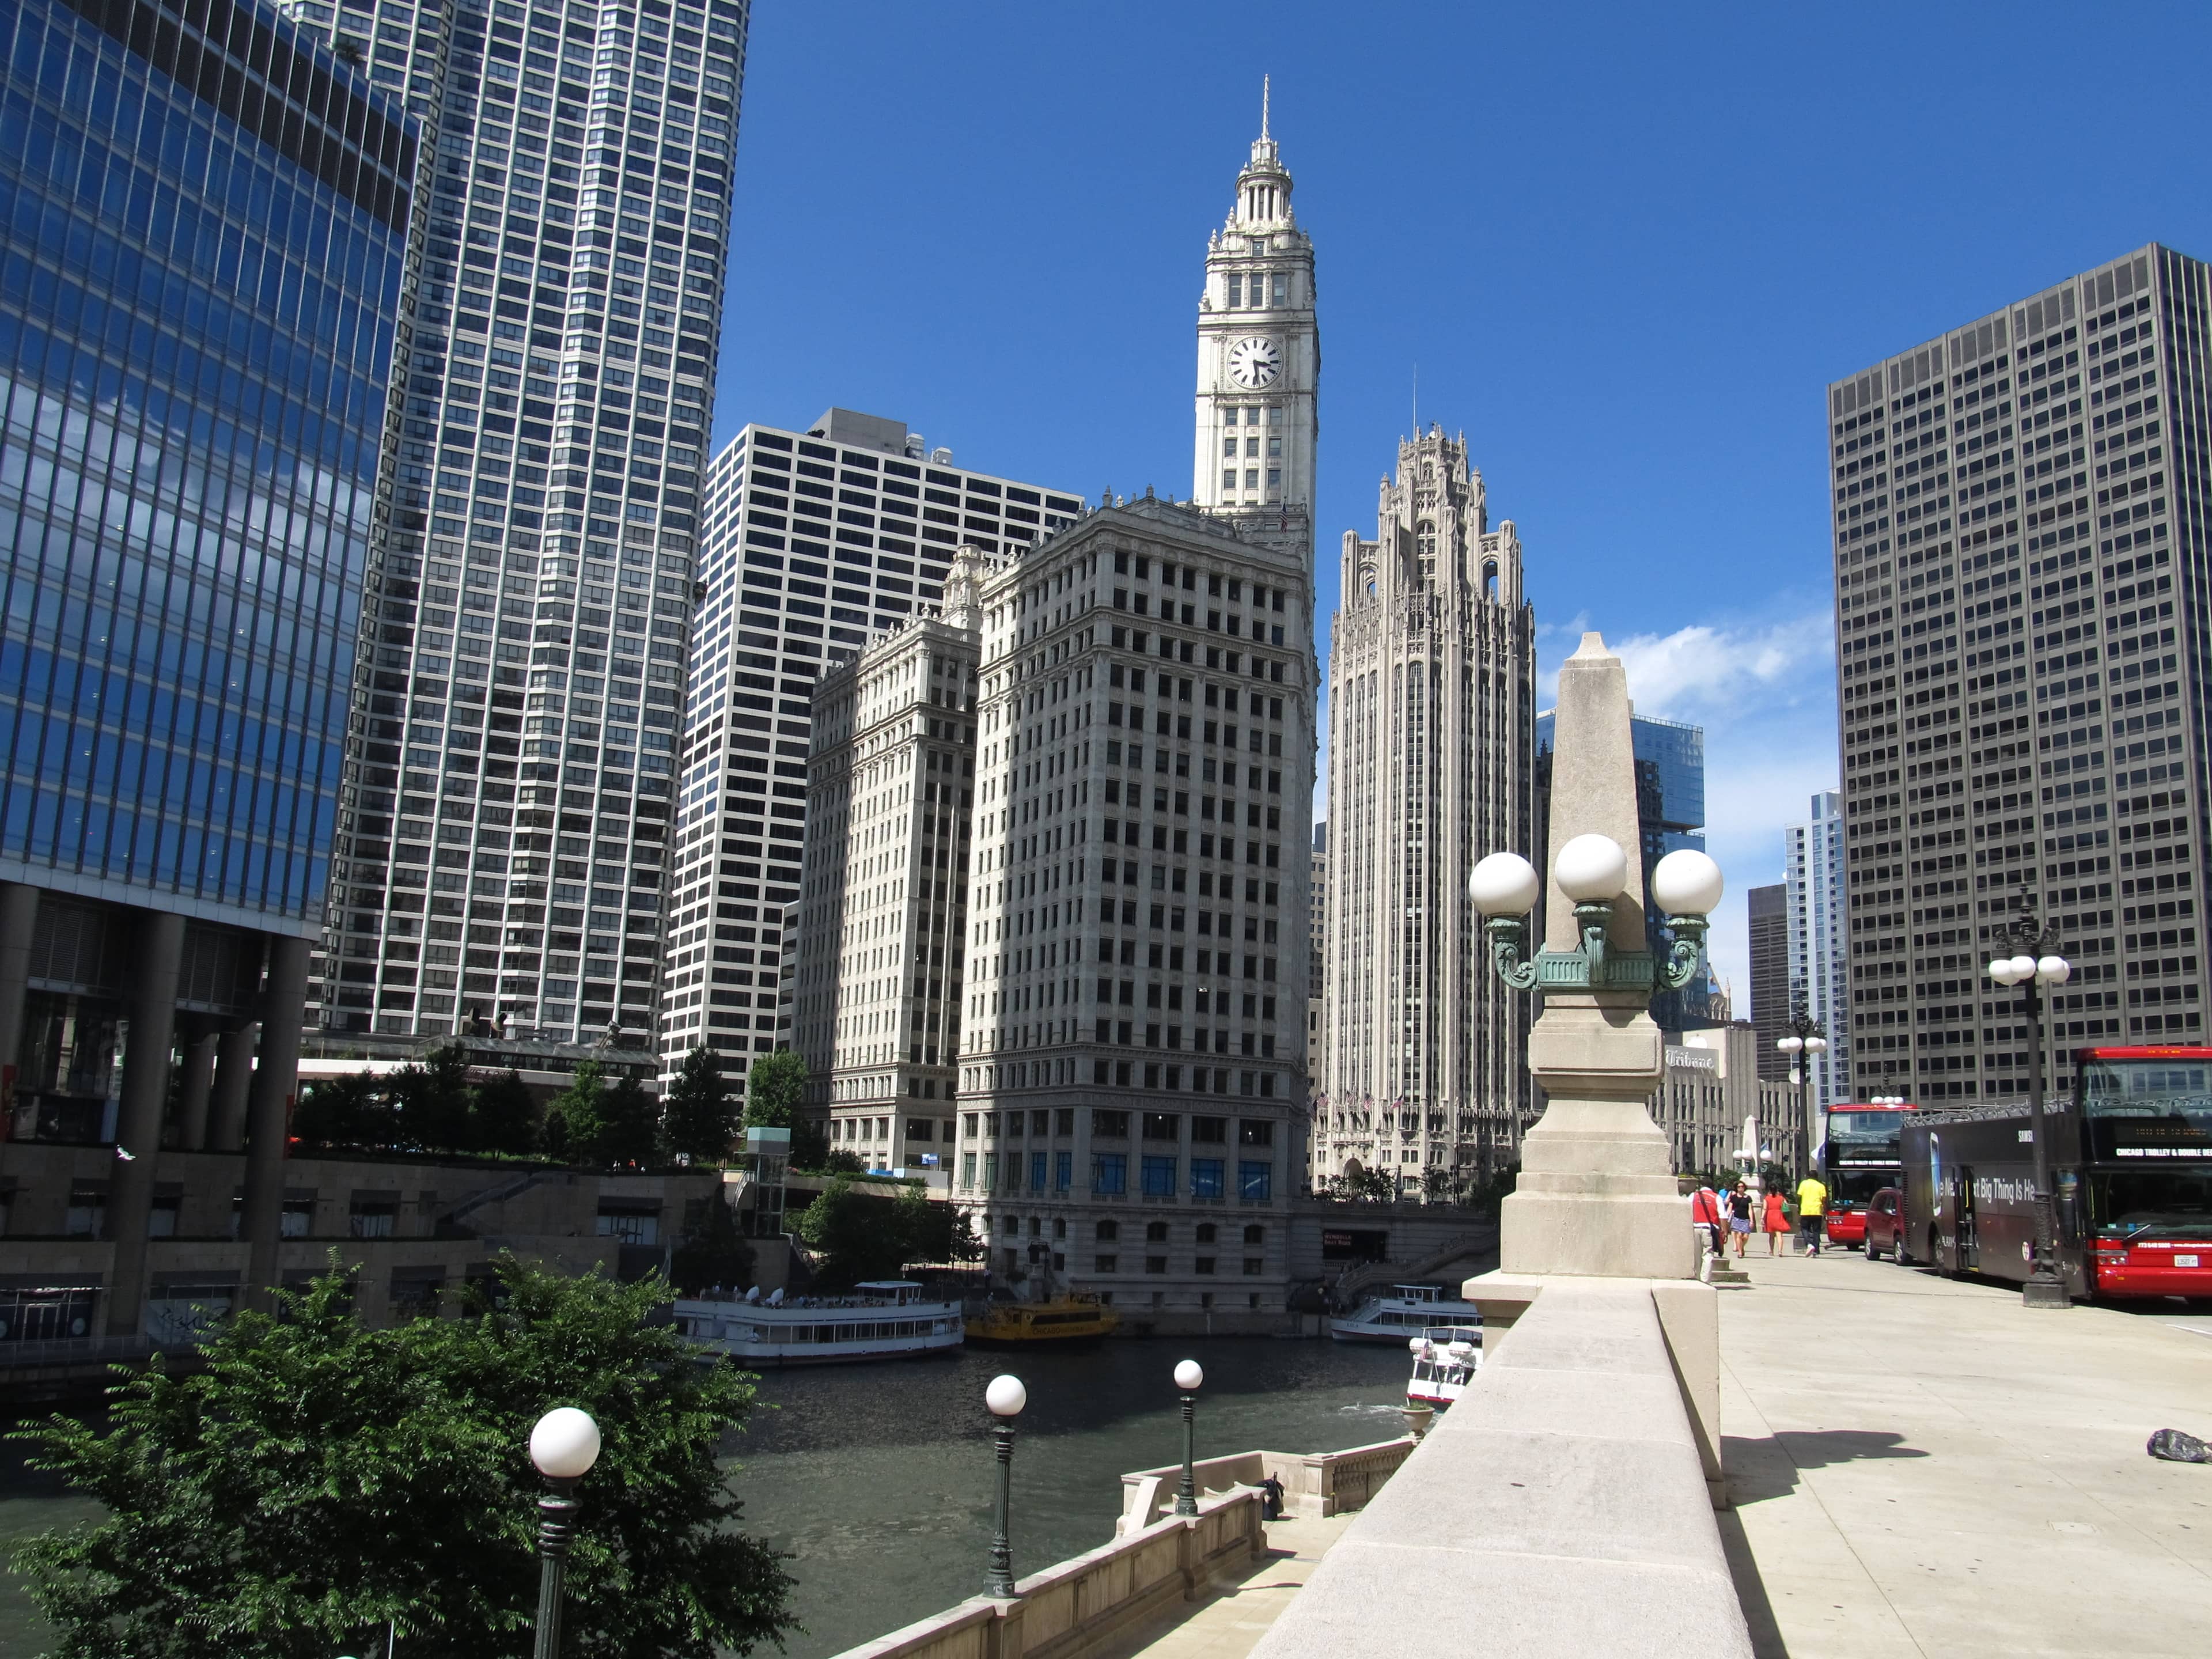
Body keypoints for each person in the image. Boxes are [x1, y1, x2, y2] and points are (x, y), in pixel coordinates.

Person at [1689, 1181, 1724, 1262]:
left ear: (1700, 1186)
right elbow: (1723, 1216)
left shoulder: (1693, 1196)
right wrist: (1724, 1232)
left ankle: (1697, 1274)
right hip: (1709, 1230)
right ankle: (1706, 1275)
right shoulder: (1717, 1197)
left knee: (1696, 1255)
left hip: (1695, 1228)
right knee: (1708, 1255)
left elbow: (1687, 1211)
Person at [1795, 1172, 1828, 1256]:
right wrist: (1825, 1211)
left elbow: (1799, 1197)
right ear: (1817, 1177)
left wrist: (1799, 1207)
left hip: (1805, 1210)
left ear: (1808, 1176)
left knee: (1804, 1228)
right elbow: (1824, 1200)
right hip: (1817, 1211)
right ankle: (1816, 1250)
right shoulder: (1821, 1186)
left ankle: (1809, 1244)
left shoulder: (1804, 1184)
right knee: (1817, 1231)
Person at [1727, 1179, 1755, 1257]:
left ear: (1744, 1188)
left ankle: (1741, 1247)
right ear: (1737, 1188)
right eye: (1739, 1187)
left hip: (1746, 1219)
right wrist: (1727, 1216)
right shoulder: (1733, 1197)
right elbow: (1730, 1207)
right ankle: (1740, 1252)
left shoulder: (1748, 1198)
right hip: (1736, 1218)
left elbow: (1750, 1209)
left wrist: (1752, 1221)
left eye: (1742, 1187)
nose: (1740, 1188)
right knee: (1739, 1235)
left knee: (1746, 1237)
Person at [1762, 1185, 1790, 1255]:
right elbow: (1786, 1206)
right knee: (1779, 1234)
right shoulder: (1781, 1198)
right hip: (1779, 1215)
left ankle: (1771, 1251)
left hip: (1770, 1216)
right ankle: (1780, 1251)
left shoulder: (1767, 1198)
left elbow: (1765, 1208)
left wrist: (1762, 1218)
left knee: (1771, 1236)